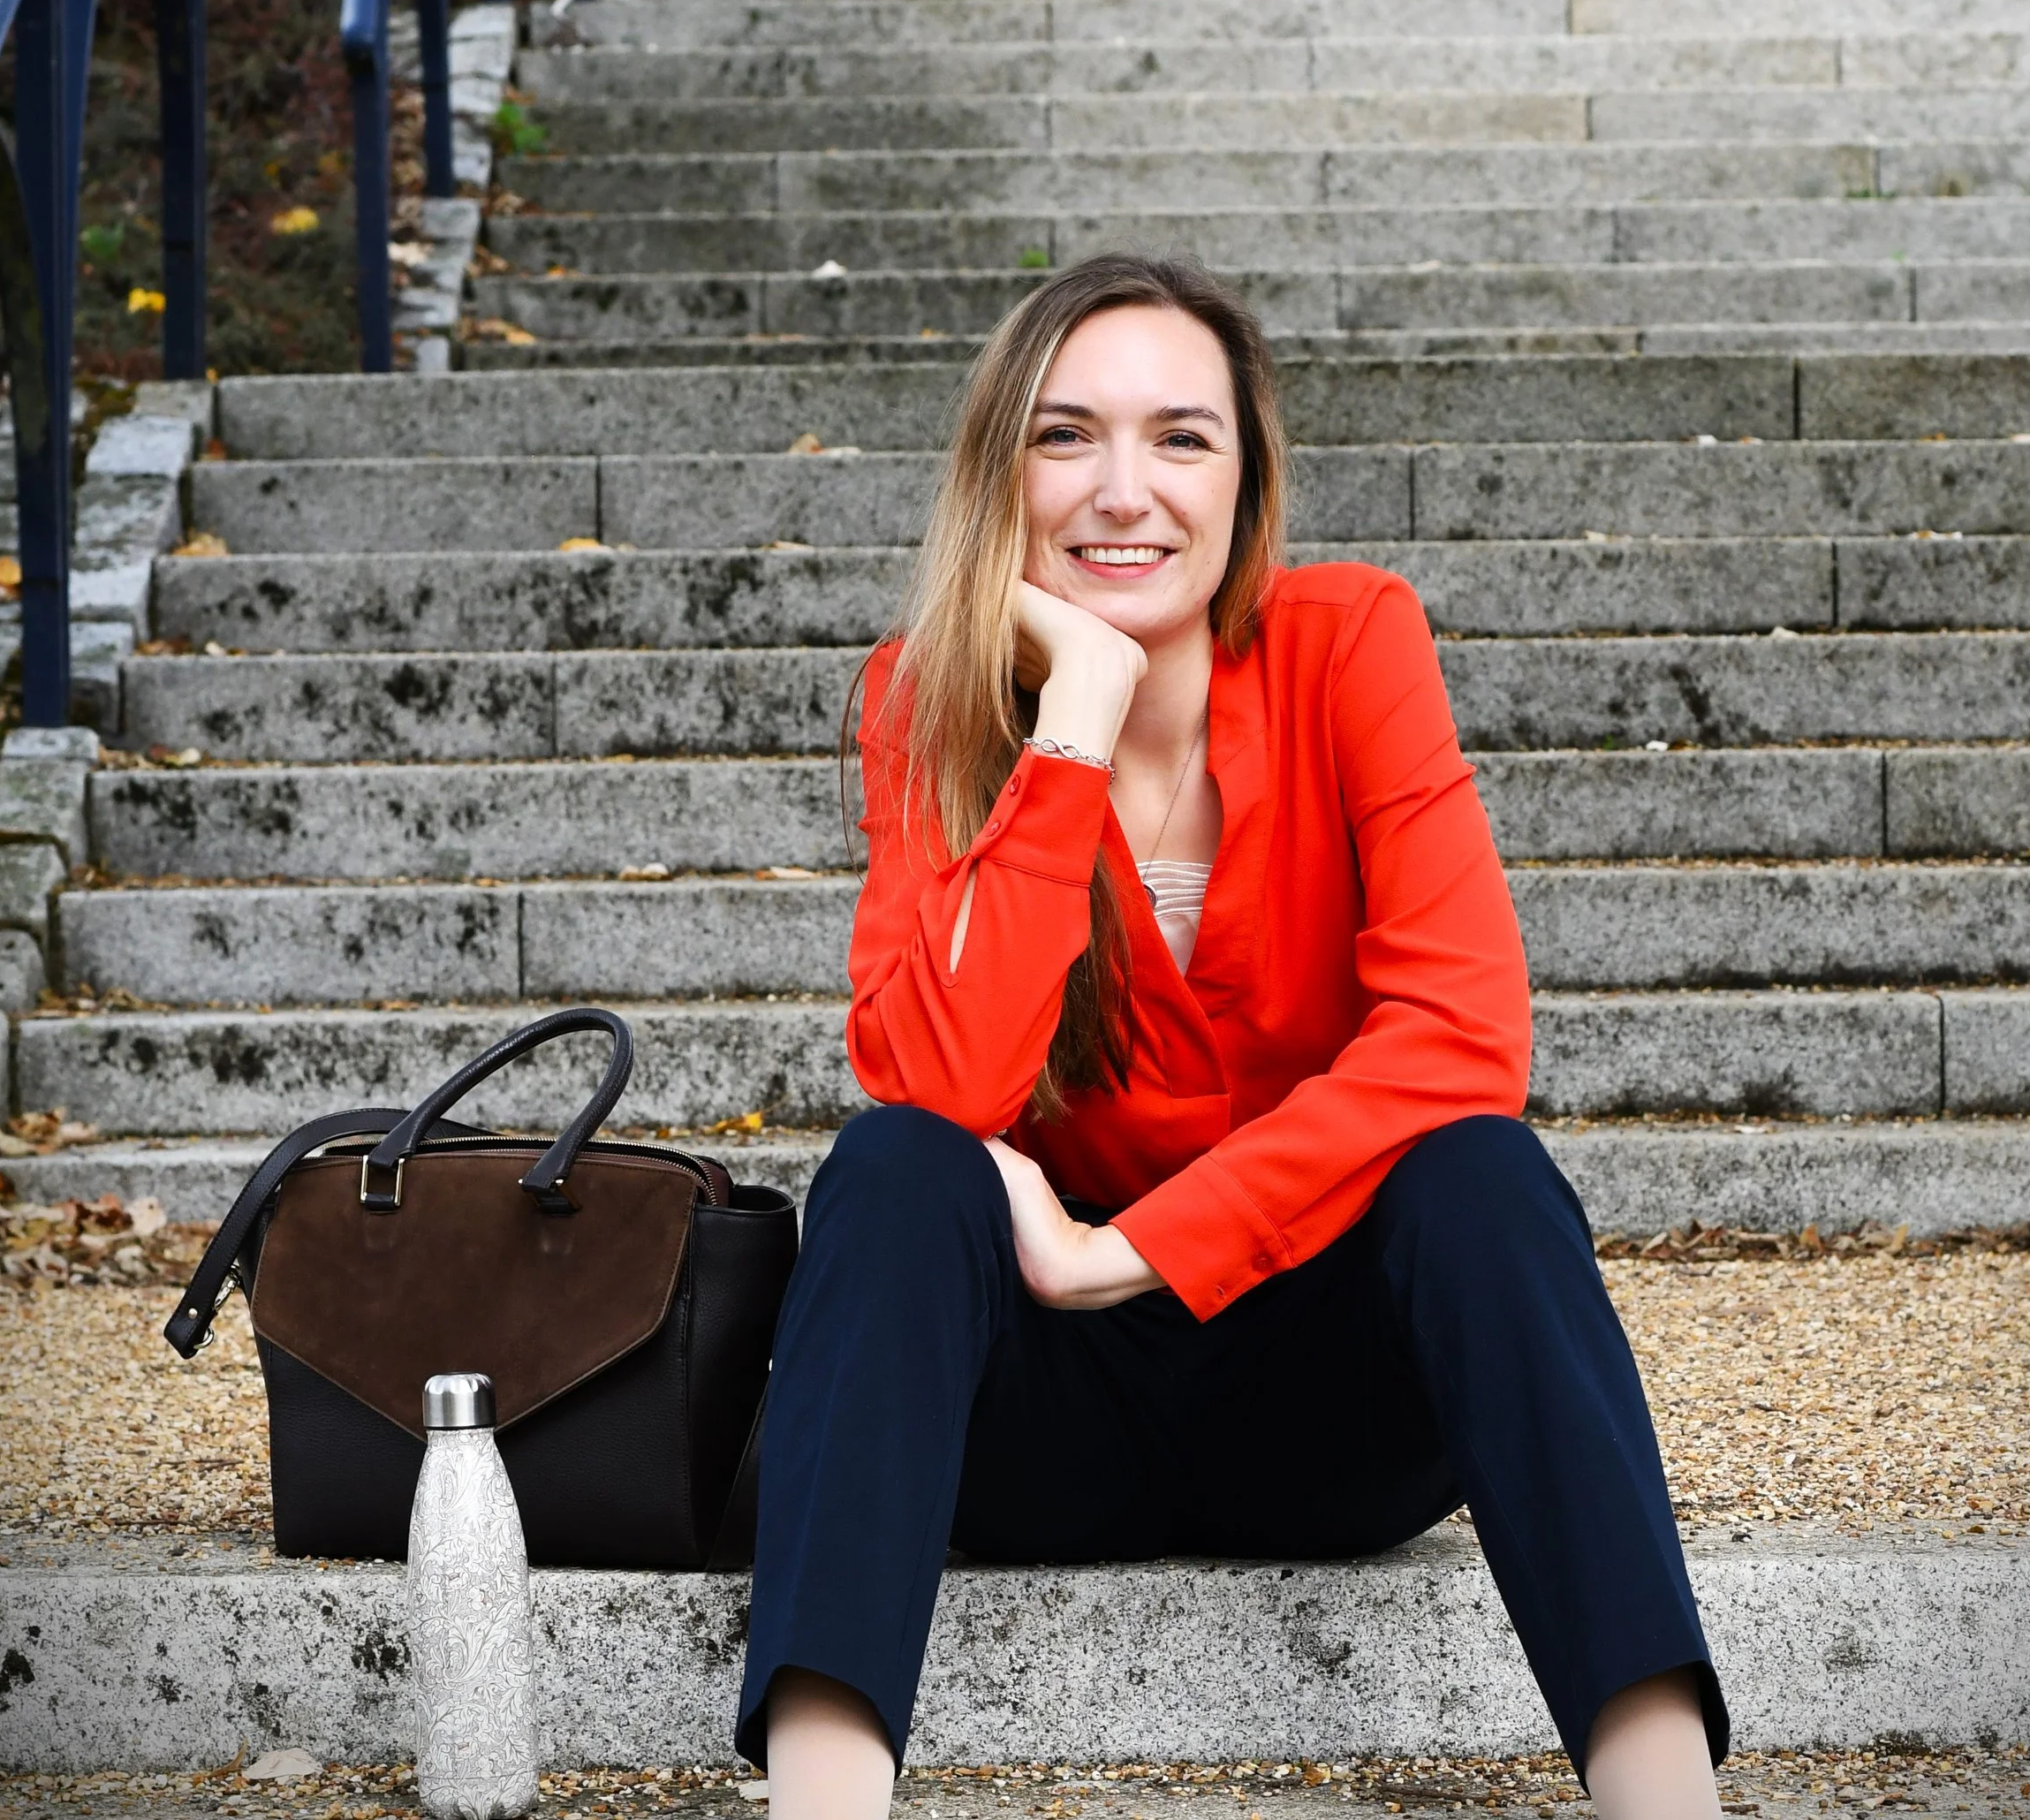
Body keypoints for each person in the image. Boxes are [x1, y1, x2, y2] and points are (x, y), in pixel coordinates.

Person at [738, 254, 1727, 1820]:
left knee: (1482, 1174)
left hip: (1329, 1406)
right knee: (892, 1170)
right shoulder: (924, 696)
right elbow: (936, 1083)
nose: (1123, 491)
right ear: (1000, 469)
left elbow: (1462, 1038)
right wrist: (1073, 715)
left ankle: (1664, 1798)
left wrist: (1116, 1251)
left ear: (1248, 476)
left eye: (1181, 438)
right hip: (1033, 1428)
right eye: (1066, 437)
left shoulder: (1351, 646)